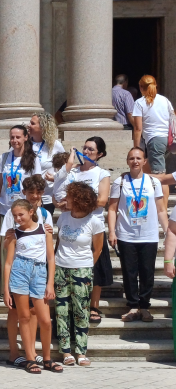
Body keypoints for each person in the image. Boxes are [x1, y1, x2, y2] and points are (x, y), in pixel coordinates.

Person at [54, 138, 112, 324]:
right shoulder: (74, 171)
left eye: (91, 149)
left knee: (94, 266)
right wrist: (61, 203)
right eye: (84, 148)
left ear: (100, 154)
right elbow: (61, 193)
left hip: (92, 224)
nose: (86, 151)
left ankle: (94, 306)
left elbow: (102, 200)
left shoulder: (101, 173)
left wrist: (77, 204)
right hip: (71, 223)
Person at [108, 147, 168, 323]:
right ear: (127, 161)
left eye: (138, 158)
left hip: (148, 235)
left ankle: (145, 307)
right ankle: (133, 306)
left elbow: (161, 210)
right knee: (129, 272)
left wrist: (168, 232)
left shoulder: (154, 182)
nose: (135, 161)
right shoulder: (120, 182)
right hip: (126, 234)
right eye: (131, 158)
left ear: (144, 161)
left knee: (148, 273)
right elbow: (112, 209)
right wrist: (112, 231)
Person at [0, 175, 52, 367]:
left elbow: (48, 244)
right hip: (18, 268)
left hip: (38, 270)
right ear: (25, 192)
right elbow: (7, 241)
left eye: (38, 192)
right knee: (16, 312)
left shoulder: (45, 215)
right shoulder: (12, 213)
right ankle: (16, 352)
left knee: (36, 313)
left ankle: (34, 352)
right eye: (31, 192)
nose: (35, 195)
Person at [55, 182, 104, 367]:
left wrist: (86, 267)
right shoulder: (63, 217)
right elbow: (58, 243)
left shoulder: (94, 221)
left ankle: (81, 352)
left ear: (78, 199)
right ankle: (66, 351)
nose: (65, 199)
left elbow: (98, 249)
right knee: (61, 311)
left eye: (68, 196)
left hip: (82, 269)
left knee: (81, 311)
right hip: (60, 267)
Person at [0, 125, 41, 300]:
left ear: (26, 137)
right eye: (12, 137)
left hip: (25, 212)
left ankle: (22, 289)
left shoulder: (33, 160)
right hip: (6, 211)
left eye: (18, 137)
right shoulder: (5, 158)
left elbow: (37, 187)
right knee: (6, 251)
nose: (14, 141)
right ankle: (2, 290)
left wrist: (35, 211)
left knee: (23, 251)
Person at [132, 75, 172, 204]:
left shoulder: (140, 103)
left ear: (140, 87)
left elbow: (138, 128)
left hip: (154, 141)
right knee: (148, 168)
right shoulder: (165, 100)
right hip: (165, 140)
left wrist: (136, 148)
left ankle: (163, 208)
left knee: (161, 177)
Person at [28, 113, 65, 216]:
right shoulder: (24, 143)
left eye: (32, 123)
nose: (28, 125)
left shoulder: (55, 145)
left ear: (42, 127)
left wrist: (56, 177)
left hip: (47, 197)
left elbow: (64, 169)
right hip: (27, 196)